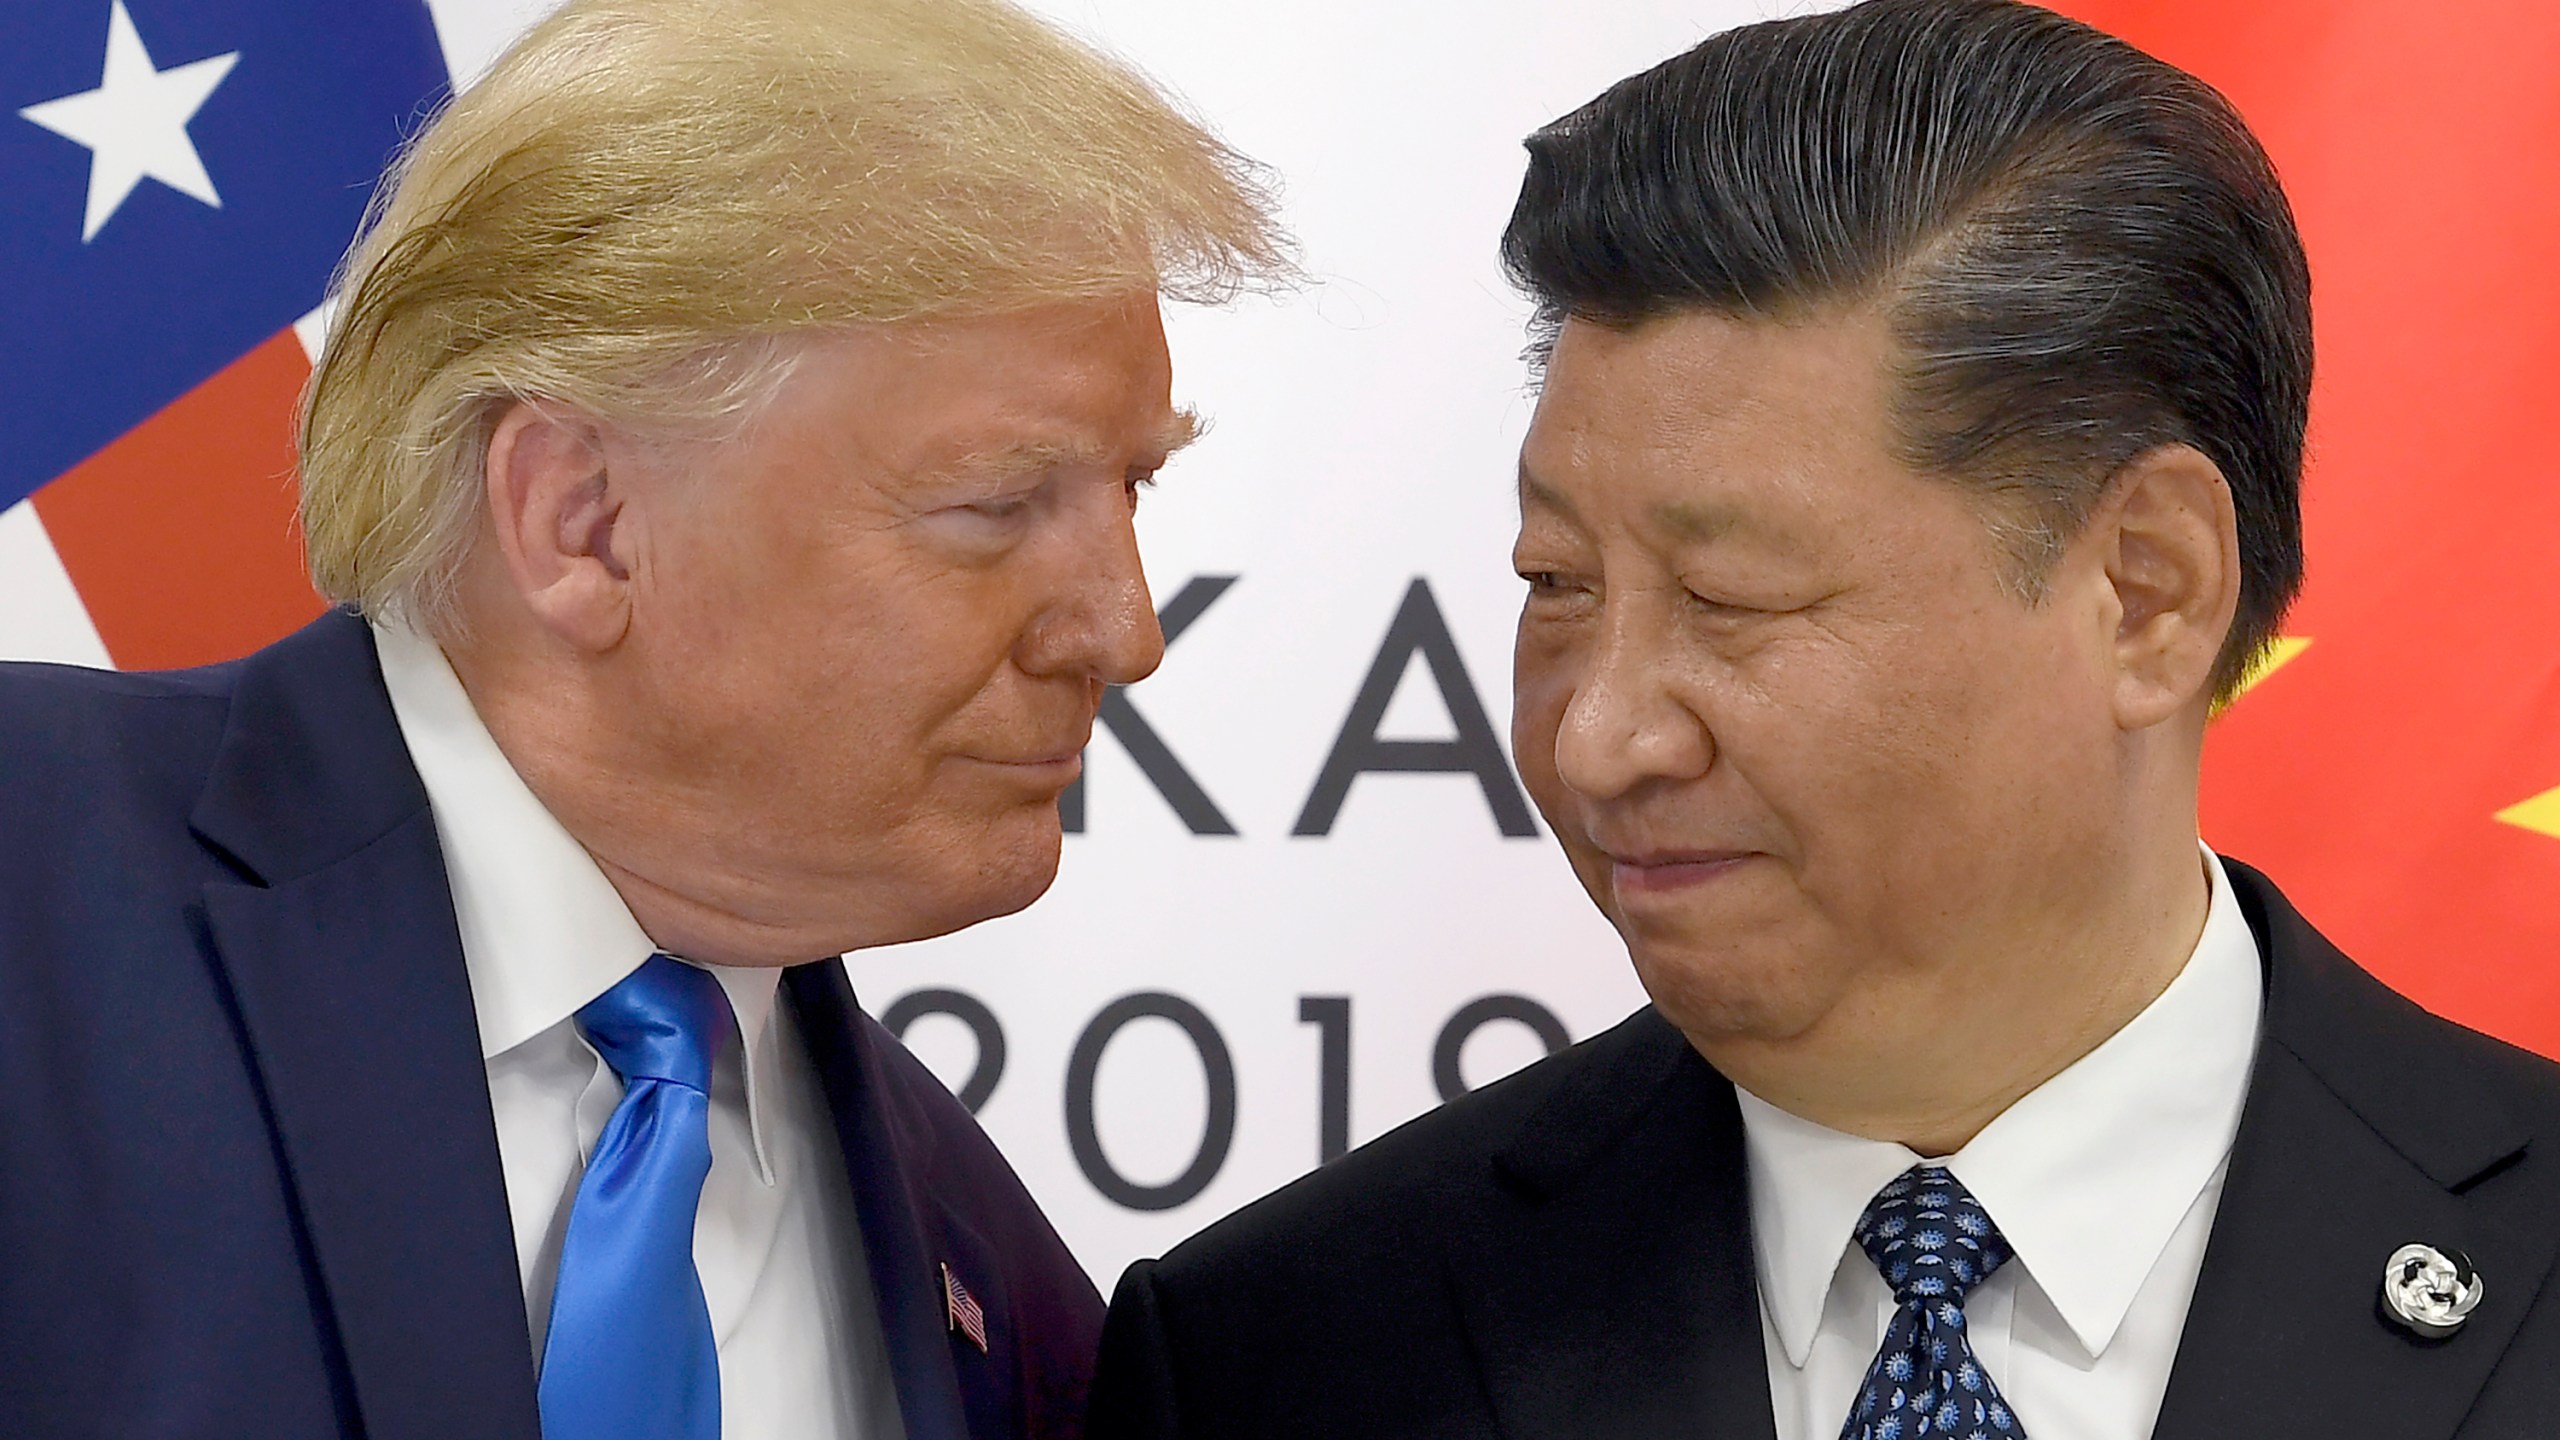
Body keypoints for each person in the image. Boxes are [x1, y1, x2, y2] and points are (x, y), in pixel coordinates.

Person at [1083, 2, 2560, 1436]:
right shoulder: (1286, 1351)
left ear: (2148, 594)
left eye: (1730, 596)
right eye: (1557, 581)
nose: (1599, 740)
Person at [0, 1, 1282, 1437]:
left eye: (1134, 492)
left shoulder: (998, 1280)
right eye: (998, 506)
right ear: (583, 522)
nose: (1127, 630)